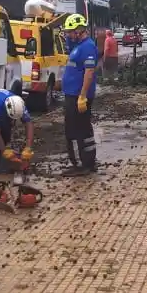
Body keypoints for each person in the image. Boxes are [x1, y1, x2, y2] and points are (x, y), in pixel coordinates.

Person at [62, 13, 99, 176]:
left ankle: (81, 164)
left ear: (79, 30)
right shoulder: (78, 45)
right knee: (82, 129)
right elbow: (68, 42)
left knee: (76, 130)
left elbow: (89, 72)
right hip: (73, 95)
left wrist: (82, 96)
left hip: (78, 97)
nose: (68, 34)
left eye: (70, 32)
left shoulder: (88, 47)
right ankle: (88, 162)